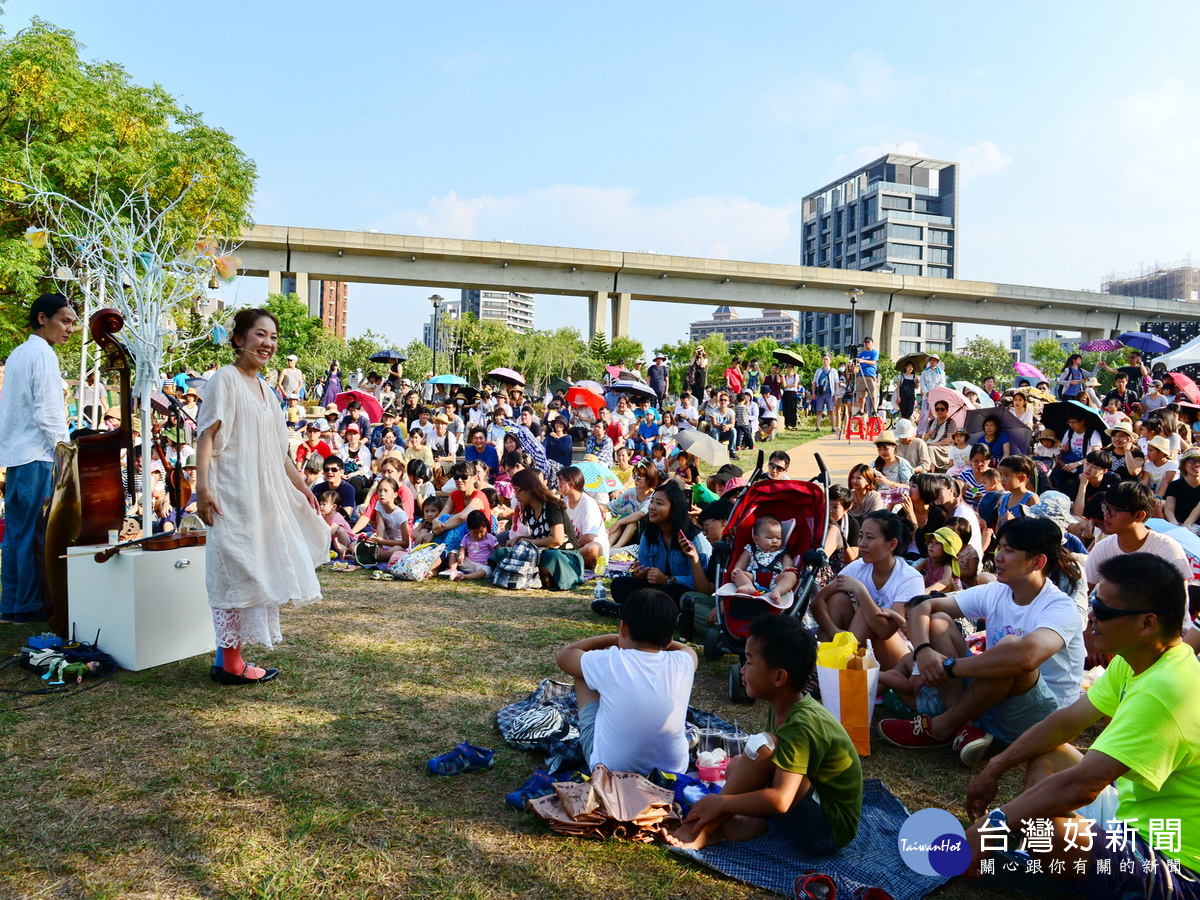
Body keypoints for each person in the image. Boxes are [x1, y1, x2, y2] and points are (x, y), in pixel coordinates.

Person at [962, 552, 1200, 894]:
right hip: (1137, 818)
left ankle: (1055, 877)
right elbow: (1065, 723)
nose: (1091, 617)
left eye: (1103, 612)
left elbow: (1083, 784)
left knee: (1041, 821)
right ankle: (1055, 867)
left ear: (1147, 624)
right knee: (1049, 758)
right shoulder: (1140, 659)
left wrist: (990, 827)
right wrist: (995, 767)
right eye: (1092, 602)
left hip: (1176, 863)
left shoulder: (1165, 691)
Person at [879, 516, 1085, 765]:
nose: (997, 556)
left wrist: (947, 667)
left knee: (1009, 648)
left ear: (1038, 562)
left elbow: (1026, 658)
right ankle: (963, 729)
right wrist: (924, 652)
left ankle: (941, 727)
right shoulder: (997, 591)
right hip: (991, 702)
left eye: (1009, 551)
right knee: (939, 620)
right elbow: (926, 607)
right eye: (1000, 547)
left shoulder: (1059, 607)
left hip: (1040, 719)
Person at [195, 308, 327, 685]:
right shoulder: (225, 379)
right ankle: (230, 663)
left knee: (256, 567)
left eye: (272, 337)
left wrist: (301, 487)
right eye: (259, 334)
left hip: (261, 495)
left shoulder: (268, 391)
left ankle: (229, 659)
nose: (267, 343)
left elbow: (278, 449)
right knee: (233, 569)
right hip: (231, 492)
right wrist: (202, 489)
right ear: (239, 339)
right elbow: (206, 436)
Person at [666, 616, 862, 855]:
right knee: (737, 765)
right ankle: (742, 822)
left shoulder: (803, 724)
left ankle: (709, 828)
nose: (743, 670)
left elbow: (781, 799)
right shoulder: (785, 703)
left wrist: (721, 802)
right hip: (805, 807)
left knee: (763, 746)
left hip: (826, 832)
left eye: (749, 662)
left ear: (779, 677)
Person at [556, 588, 697, 776]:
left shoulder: (610, 660)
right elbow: (688, 650)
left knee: (582, 673)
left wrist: (613, 638)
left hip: (609, 771)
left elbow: (565, 656)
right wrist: (666, 641)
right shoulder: (684, 661)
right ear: (669, 638)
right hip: (673, 771)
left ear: (623, 628)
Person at [0, 293, 76, 624]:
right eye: (65, 320)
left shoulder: (18, 354)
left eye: (73, 322)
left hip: (18, 456)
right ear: (42, 318)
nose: (70, 328)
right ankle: (27, 606)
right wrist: (65, 452)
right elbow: (48, 412)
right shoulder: (42, 355)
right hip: (38, 455)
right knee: (33, 536)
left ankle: (12, 605)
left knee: (17, 534)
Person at [810, 510, 925, 670]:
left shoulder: (909, 578)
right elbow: (817, 602)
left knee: (867, 612)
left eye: (870, 538)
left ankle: (840, 672)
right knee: (837, 600)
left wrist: (861, 591)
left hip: (898, 656)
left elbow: (886, 631)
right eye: (861, 536)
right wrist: (836, 632)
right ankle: (823, 670)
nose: (862, 543)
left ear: (891, 544)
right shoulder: (859, 567)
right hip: (861, 644)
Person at [601, 481, 712, 613]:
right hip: (655, 589)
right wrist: (639, 573)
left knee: (674, 592)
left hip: (679, 590)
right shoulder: (649, 534)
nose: (652, 507)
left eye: (659, 503)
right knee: (620, 584)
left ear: (673, 510)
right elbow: (644, 566)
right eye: (652, 502)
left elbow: (702, 583)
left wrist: (668, 580)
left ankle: (628, 610)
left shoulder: (693, 537)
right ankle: (643, 610)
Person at [492, 467, 583, 590]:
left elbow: (557, 539)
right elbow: (540, 535)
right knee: (500, 553)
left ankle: (539, 575)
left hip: (564, 555)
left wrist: (528, 542)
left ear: (530, 489)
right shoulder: (530, 508)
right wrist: (520, 538)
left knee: (551, 557)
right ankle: (540, 576)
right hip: (539, 551)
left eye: (518, 491)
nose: (516, 496)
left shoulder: (552, 506)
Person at [729, 515, 798, 606]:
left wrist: (787, 568)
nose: (774, 541)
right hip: (753, 576)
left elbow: (787, 561)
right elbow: (742, 561)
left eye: (778, 538)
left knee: (791, 575)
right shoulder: (750, 549)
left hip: (775, 579)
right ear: (756, 539)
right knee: (738, 574)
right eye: (770, 538)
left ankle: (778, 591)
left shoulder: (781, 552)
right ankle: (747, 585)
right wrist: (737, 568)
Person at [557, 466, 610, 570]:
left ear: (572, 483)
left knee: (592, 549)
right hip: (573, 548)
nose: (558, 485)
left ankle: (564, 560)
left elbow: (589, 537)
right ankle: (567, 560)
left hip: (590, 548)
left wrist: (568, 547)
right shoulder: (563, 503)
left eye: (561, 481)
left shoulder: (588, 503)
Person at [443, 510, 498, 581]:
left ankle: (465, 576)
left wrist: (492, 559)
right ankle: (453, 570)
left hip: (483, 565)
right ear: (469, 529)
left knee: (488, 571)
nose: (479, 535)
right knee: (453, 552)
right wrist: (461, 555)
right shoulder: (466, 537)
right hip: (469, 563)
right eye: (475, 533)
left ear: (486, 527)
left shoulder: (489, 538)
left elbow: (498, 550)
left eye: (481, 532)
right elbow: (462, 549)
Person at [855, 336, 880, 417]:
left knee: (873, 394)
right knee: (860, 394)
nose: (867, 344)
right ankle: (861, 410)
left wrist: (863, 361)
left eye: (868, 342)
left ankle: (874, 410)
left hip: (870, 374)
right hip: (861, 374)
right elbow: (857, 364)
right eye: (865, 343)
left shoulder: (874, 352)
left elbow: (873, 362)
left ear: (872, 343)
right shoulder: (861, 354)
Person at [781, 364, 800, 429]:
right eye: (787, 367)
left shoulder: (795, 376)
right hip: (786, 392)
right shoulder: (785, 376)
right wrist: (783, 377)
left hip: (792, 393)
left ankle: (793, 424)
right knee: (786, 408)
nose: (788, 368)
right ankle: (786, 423)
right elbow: (784, 385)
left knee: (792, 408)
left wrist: (787, 385)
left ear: (793, 368)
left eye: (790, 367)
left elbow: (795, 384)